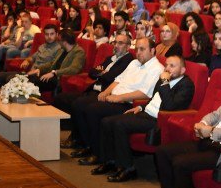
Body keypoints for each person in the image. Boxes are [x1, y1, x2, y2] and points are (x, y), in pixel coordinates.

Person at [93, 55, 196, 182]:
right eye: (167, 65)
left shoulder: (186, 85)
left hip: (158, 120)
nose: (167, 68)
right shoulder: (164, 79)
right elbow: (153, 99)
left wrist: (165, 82)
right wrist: (141, 107)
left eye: (172, 66)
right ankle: (110, 161)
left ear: (182, 70)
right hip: (146, 113)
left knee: (120, 124)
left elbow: (170, 106)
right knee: (107, 121)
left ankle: (128, 169)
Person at [70, 37, 164, 165]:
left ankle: (97, 153)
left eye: (142, 49)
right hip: (114, 98)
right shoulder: (134, 63)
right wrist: (106, 92)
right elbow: (118, 80)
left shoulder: (156, 68)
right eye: (137, 49)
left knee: (93, 110)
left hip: (128, 103)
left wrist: (117, 98)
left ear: (153, 51)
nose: (138, 52)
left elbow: (144, 93)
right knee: (81, 104)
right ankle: (88, 146)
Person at [57, 34, 134, 148]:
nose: (116, 46)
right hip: (94, 89)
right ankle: (76, 136)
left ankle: (82, 142)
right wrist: (101, 74)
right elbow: (92, 72)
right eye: (115, 43)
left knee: (79, 104)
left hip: (104, 92)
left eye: (120, 43)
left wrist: (100, 73)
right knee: (62, 98)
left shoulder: (128, 61)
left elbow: (110, 77)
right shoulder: (110, 58)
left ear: (128, 47)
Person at [0, 23, 62, 87]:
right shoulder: (42, 46)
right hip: (31, 73)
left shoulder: (59, 48)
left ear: (57, 34)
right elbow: (32, 57)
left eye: (52, 34)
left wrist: (38, 69)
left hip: (43, 75)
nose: (49, 36)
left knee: (11, 79)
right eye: (47, 34)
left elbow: (54, 64)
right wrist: (27, 60)